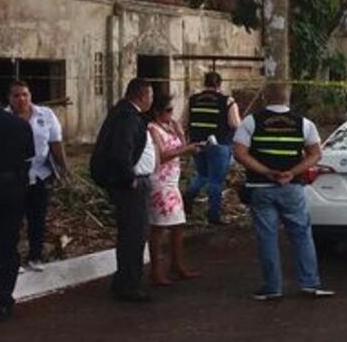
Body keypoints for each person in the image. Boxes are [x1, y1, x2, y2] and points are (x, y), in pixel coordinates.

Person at [232, 83, 334, 301]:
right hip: (292, 188)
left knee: (267, 237)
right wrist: (292, 172)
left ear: (264, 98)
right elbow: (316, 154)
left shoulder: (251, 121)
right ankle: (309, 283)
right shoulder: (304, 123)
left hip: (260, 187)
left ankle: (272, 287)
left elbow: (239, 153)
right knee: (302, 235)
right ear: (288, 99)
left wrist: (266, 171)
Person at [90, 77, 155, 302]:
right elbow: (121, 151)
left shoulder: (121, 113)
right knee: (134, 235)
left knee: (130, 233)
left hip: (128, 182)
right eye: (150, 95)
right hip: (130, 185)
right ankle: (129, 284)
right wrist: (129, 179)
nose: (151, 100)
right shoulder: (128, 117)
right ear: (142, 96)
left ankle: (123, 280)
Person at [7, 80, 69, 272]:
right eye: (16, 95)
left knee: (37, 219)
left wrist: (64, 169)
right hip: (13, 178)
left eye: (25, 94)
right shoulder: (3, 118)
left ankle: (35, 256)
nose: (21, 99)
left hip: (40, 175)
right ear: (9, 98)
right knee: (12, 221)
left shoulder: (45, 115)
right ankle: (12, 260)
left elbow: (55, 143)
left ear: (30, 96)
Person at [146, 93, 203, 286]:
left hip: (172, 181)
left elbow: (182, 148)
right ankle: (156, 270)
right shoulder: (152, 129)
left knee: (177, 224)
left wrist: (180, 133)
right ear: (157, 112)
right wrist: (185, 149)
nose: (171, 114)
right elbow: (161, 156)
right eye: (168, 110)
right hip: (160, 181)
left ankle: (176, 265)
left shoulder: (170, 127)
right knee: (158, 227)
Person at [0, 105, 34, 321]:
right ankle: (4, 299)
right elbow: (29, 156)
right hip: (11, 190)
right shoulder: (20, 124)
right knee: (7, 246)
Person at [184, 72, 241, 225]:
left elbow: (184, 122)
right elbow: (235, 124)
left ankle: (188, 197)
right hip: (219, 145)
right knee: (216, 181)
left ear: (205, 83)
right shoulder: (227, 101)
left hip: (197, 144)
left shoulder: (192, 100)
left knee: (202, 174)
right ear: (219, 84)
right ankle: (213, 215)